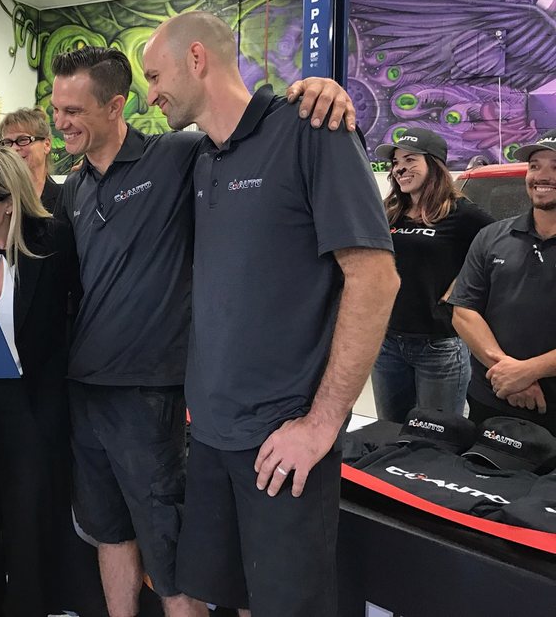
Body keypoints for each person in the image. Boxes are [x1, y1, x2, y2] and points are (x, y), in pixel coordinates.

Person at [51, 41, 356, 617]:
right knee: (109, 531)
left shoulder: (177, 154)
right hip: (87, 388)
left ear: (114, 107)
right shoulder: (75, 187)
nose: (61, 122)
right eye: (56, 110)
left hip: (152, 391)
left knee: (170, 552)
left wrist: (320, 87)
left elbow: (243, 129)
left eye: (73, 110)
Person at [142, 10, 399, 617]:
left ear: (196, 59)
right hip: (210, 435)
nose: (149, 95)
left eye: (154, 76)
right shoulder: (202, 158)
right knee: (226, 597)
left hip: (283, 440)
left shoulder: (312, 130)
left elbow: (375, 278)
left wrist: (321, 425)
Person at [0, 144, 104, 616]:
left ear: (9, 200)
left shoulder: (55, 240)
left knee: (31, 514)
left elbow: (77, 316)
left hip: (34, 402)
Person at [370, 128, 493, 421]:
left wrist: (462, 286)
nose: (400, 168)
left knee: (437, 436)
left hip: (439, 345)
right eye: (396, 162)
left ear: (434, 164)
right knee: (390, 433)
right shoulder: (390, 212)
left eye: (410, 160)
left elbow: (500, 251)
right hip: (387, 343)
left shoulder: (462, 214)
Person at [450, 129, 556, 434]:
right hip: (492, 398)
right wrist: (508, 373)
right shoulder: (491, 236)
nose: (542, 176)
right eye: (535, 166)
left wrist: (528, 371)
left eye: (555, 166)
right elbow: (464, 312)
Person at [0, 107, 63, 212]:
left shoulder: (64, 199)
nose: (14, 148)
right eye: (7, 142)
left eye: (23, 140)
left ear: (46, 145)